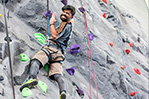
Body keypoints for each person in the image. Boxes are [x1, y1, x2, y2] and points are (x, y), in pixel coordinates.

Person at [20, 5, 76, 99]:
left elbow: (54, 36)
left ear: (71, 17)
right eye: (64, 12)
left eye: (67, 13)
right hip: (59, 54)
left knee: (36, 61)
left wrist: (51, 22)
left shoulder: (64, 24)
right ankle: (63, 92)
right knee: (57, 74)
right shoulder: (70, 24)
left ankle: (32, 78)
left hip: (51, 49)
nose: (64, 14)